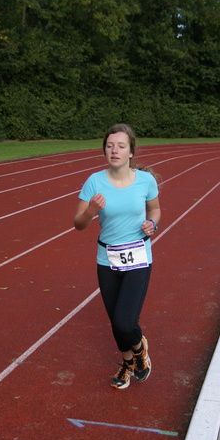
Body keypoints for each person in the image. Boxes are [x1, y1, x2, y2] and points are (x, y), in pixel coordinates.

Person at [74, 124, 161, 389]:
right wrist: (90, 211)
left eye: (121, 146)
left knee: (125, 321)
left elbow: (155, 209)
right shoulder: (94, 181)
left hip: (138, 256)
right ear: (105, 150)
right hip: (107, 259)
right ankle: (128, 362)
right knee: (116, 321)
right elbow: (78, 223)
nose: (115, 150)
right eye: (110, 145)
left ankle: (139, 348)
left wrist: (152, 224)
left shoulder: (146, 181)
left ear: (131, 152)